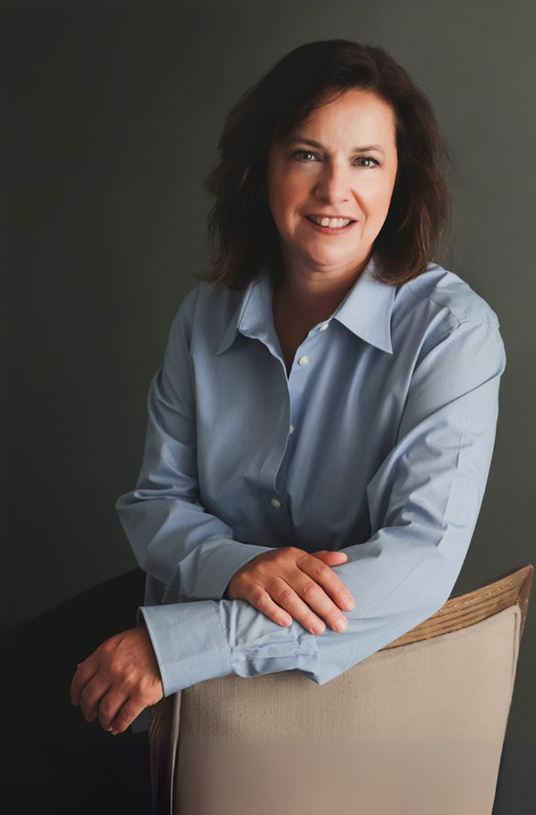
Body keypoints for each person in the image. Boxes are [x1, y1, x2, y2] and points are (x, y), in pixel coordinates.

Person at [70, 39, 506, 737]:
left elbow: (418, 562)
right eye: (307, 154)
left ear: (400, 181)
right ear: (261, 168)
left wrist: (181, 645)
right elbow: (156, 504)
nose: (334, 190)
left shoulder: (453, 333)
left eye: (366, 161)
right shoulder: (204, 317)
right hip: (183, 683)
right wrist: (239, 567)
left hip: (349, 689)